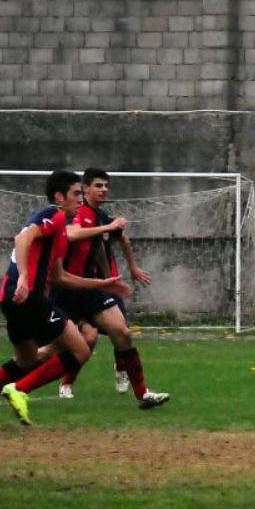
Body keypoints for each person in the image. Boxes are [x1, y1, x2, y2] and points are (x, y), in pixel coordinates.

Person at [0, 170, 132, 428]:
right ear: (59, 197)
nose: (81, 199)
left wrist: (103, 284)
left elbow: (61, 277)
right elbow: (22, 237)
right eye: (76, 194)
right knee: (81, 350)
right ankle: (19, 390)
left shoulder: (59, 232)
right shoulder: (53, 214)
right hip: (30, 297)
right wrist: (24, 276)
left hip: (11, 299)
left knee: (26, 361)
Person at [52, 167, 168, 410]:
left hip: (91, 288)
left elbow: (101, 247)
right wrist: (107, 229)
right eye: (98, 185)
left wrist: (112, 278)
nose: (104, 190)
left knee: (121, 332)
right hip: (67, 288)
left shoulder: (99, 215)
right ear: (84, 188)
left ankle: (141, 392)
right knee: (75, 343)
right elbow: (72, 235)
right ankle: (24, 384)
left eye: (106, 186)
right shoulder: (76, 212)